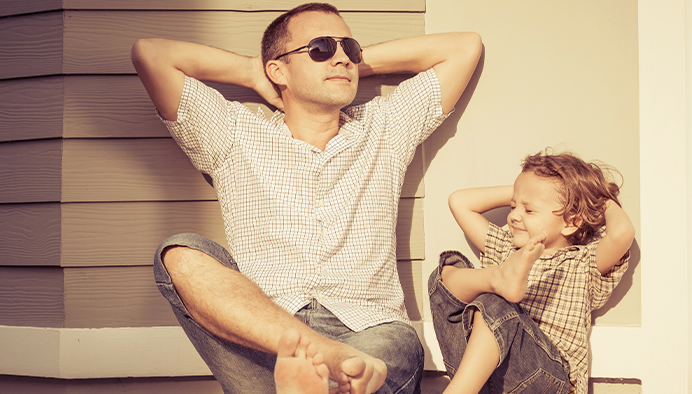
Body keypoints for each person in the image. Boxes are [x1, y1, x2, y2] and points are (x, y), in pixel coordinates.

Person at [131, 2, 482, 393]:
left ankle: (323, 379)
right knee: (180, 251)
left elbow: (464, 47)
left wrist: (353, 62)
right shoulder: (233, 134)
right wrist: (253, 70)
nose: (341, 59)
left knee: (372, 361)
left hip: (368, 329)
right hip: (264, 337)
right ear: (278, 69)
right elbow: (152, 54)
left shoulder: (385, 127)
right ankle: (324, 370)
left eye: (349, 48)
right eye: (320, 49)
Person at [429, 150, 635, 394]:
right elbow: (459, 202)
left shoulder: (583, 262)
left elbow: (622, 233)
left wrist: (596, 198)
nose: (514, 215)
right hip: (490, 378)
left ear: (570, 222)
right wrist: (525, 191)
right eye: (514, 206)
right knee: (444, 275)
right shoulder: (506, 249)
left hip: (546, 378)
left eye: (529, 210)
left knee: (493, 305)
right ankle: (498, 281)